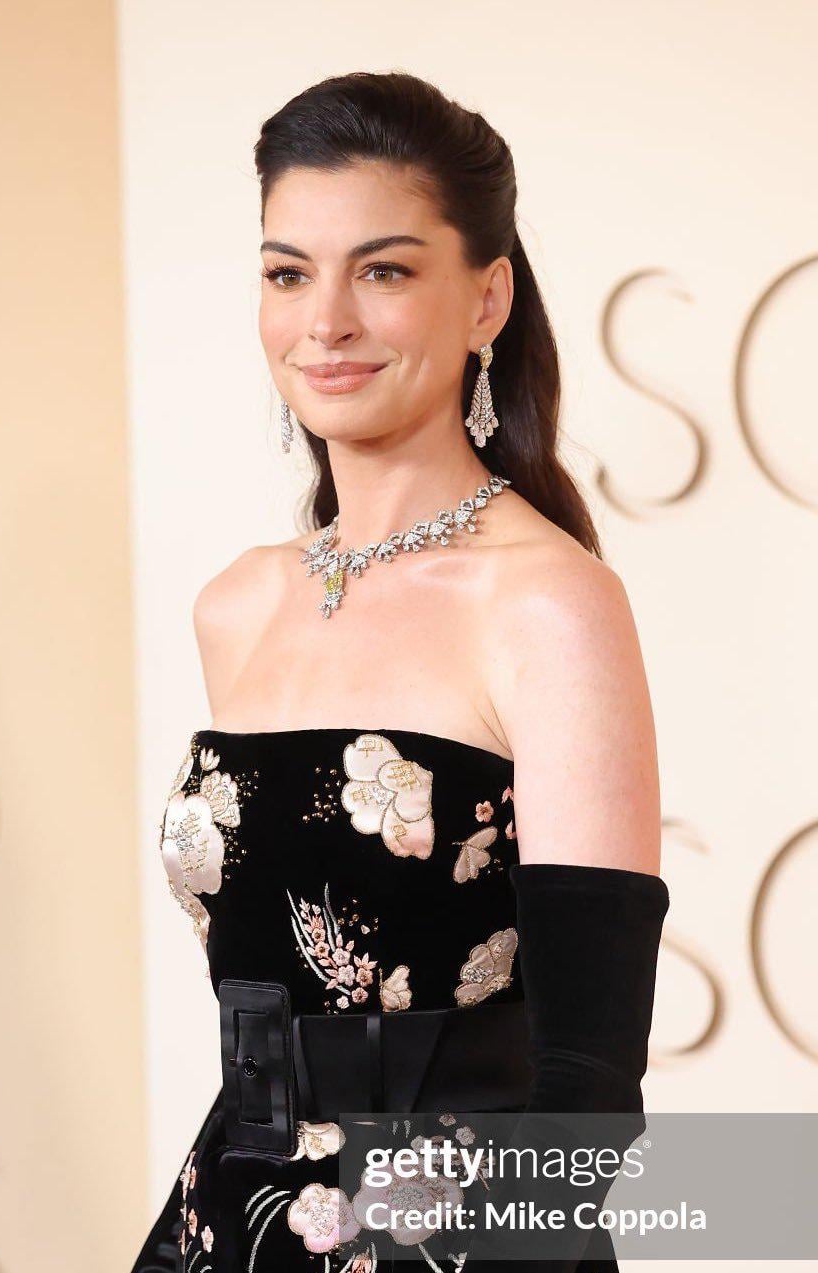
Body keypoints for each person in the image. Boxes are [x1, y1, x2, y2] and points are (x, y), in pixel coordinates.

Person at [130, 70, 670, 1273]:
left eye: (380, 271)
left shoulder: (548, 602)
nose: (323, 322)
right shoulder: (238, 604)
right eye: (287, 274)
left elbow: (587, 1083)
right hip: (233, 1217)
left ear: (485, 299)